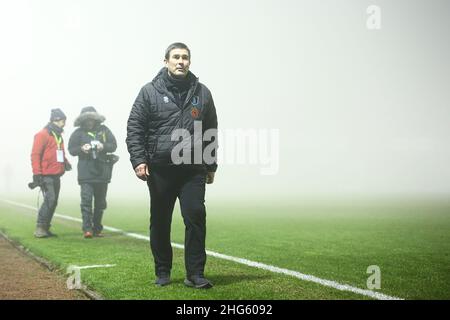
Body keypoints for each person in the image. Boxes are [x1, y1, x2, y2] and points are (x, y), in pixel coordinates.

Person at [126, 42, 218, 289]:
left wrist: (211, 165)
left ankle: (195, 274)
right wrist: (139, 160)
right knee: (160, 220)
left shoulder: (203, 93)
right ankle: (163, 271)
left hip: (192, 169)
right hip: (161, 169)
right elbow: (135, 128)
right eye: (176, 57)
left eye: (185, 57)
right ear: (165, 61)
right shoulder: (149, 92)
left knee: (196, 216)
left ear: (190, 62)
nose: (181, 61)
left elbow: (210, 130)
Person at [68, 107, 117, 238]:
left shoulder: (104, 130)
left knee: (100, 203)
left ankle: (97, 228)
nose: (89, 122)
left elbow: (114, 145)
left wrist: (103, 146)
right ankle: (87, 229)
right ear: (82, 120)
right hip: (85, 174)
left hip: (103, 173)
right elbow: (71, 150)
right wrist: (81, 148)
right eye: (86, 119)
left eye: (91, 119)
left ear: (95, 119)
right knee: (86, 201)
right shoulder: (78, 133)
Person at [30, 108, 72, 238]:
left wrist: (65, 162)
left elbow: (59, 152)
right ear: (56, 120)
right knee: (50, 199)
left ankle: (45, 228)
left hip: (56, 174)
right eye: (63, 120)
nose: (64, 123)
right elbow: (35, 155)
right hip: (46, 174)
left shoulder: (58, 135)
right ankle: (40, 227)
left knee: (53, 201)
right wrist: (37, 174)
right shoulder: (42, 135)